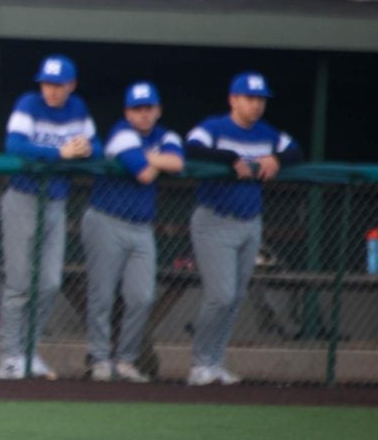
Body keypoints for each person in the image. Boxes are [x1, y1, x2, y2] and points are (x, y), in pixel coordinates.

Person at [182, 72, 304, 387]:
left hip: (250, 221)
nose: (256, 105)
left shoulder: (266, 132)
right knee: (220, 295)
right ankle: (200, 364)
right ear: (233, 99)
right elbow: (191, 147)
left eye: (261, 99)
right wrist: (230, 158)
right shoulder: (215, 127)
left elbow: (295, 150)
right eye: (250, 98)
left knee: (235, 297)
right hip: (215, 219)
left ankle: (215, 362)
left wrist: (276, 159)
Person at [0, 55, 99, 380]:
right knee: (19, 283)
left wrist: (86, 149)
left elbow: (96, 147)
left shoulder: (77, 108)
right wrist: (59, 153)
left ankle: (28, 352)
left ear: (71, 85)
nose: (51, 91)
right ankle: (9, 357)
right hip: (23, 199)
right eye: (47, 84)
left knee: (50, 283)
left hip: (55, 202)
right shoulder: (29, 104)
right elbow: (14, 145)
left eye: (58, 85)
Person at [82, 82, 183, 382]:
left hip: (141, 228)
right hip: (106, 220)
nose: (143, 114)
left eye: (148, 108)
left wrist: (147, 156)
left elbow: (177, 163)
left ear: (158, 110)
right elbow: (145, 174)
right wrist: (156, 159)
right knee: (101, 295)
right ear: (128, 112)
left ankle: (125, 360)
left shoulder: (166, 135)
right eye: (137, 109)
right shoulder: (121, 133)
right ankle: (99, 359)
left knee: (142, 297)